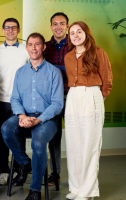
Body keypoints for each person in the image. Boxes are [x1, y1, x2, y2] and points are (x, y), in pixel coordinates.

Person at [1, 33, 64, 200]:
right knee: (6, 128)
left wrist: (38, 119)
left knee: (38, 142)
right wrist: (22, 116)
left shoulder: (54, 72)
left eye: (37, 44)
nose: (34, 48)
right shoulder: (20, 72)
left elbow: (57, 104)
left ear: (43, 47)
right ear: (27, 48)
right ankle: (23, 162)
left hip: (47, 119)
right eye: (30, 44)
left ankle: (35, 189)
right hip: (25, 114)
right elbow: (15, 98)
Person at [64, 21, 113, 200]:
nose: (75, 35)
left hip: (91, 96)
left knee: (89, 145)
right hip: (73, 98)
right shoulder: (68, 56)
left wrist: (99, 98)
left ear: (86, 33)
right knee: (73, 144)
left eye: (79, 32)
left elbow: (107, 80)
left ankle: (87, 192)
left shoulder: (98, 53)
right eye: (72, 33)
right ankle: (76, 188)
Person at [0, 18, 30, 185]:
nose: (10, 30)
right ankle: (4, 171)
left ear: (18, 30)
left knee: (18, 135)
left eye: (14, 28)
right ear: (3, 30)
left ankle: (21, 168)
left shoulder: (26, 50)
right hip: (1, 101)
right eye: (7, 27)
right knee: (3, 136)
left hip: (21, 102)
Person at [43, 12, 70, 186]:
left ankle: (78, 174)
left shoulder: (75, 44)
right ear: (51, 26)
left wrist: (55, 70)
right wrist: (62, 70)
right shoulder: (44, 47)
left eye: (62, 24)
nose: (58, 27)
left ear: (67, 26)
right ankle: (55, 173)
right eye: (55, 24)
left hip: (72, 96)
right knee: (54, 136)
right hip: (51, 98)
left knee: (75, 136)